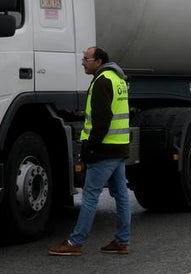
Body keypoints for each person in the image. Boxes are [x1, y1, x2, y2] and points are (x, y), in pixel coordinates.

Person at [49, 46, 132, 256]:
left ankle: (75, 242)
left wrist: (90, 149)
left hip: (104, 149)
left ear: (99, 61)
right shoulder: (118, 79)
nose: (83, 62)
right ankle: (122, 241)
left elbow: (101, 122)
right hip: (119, 146)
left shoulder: (103, 81)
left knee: (90, 196)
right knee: (121, 195)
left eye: (87, 59)